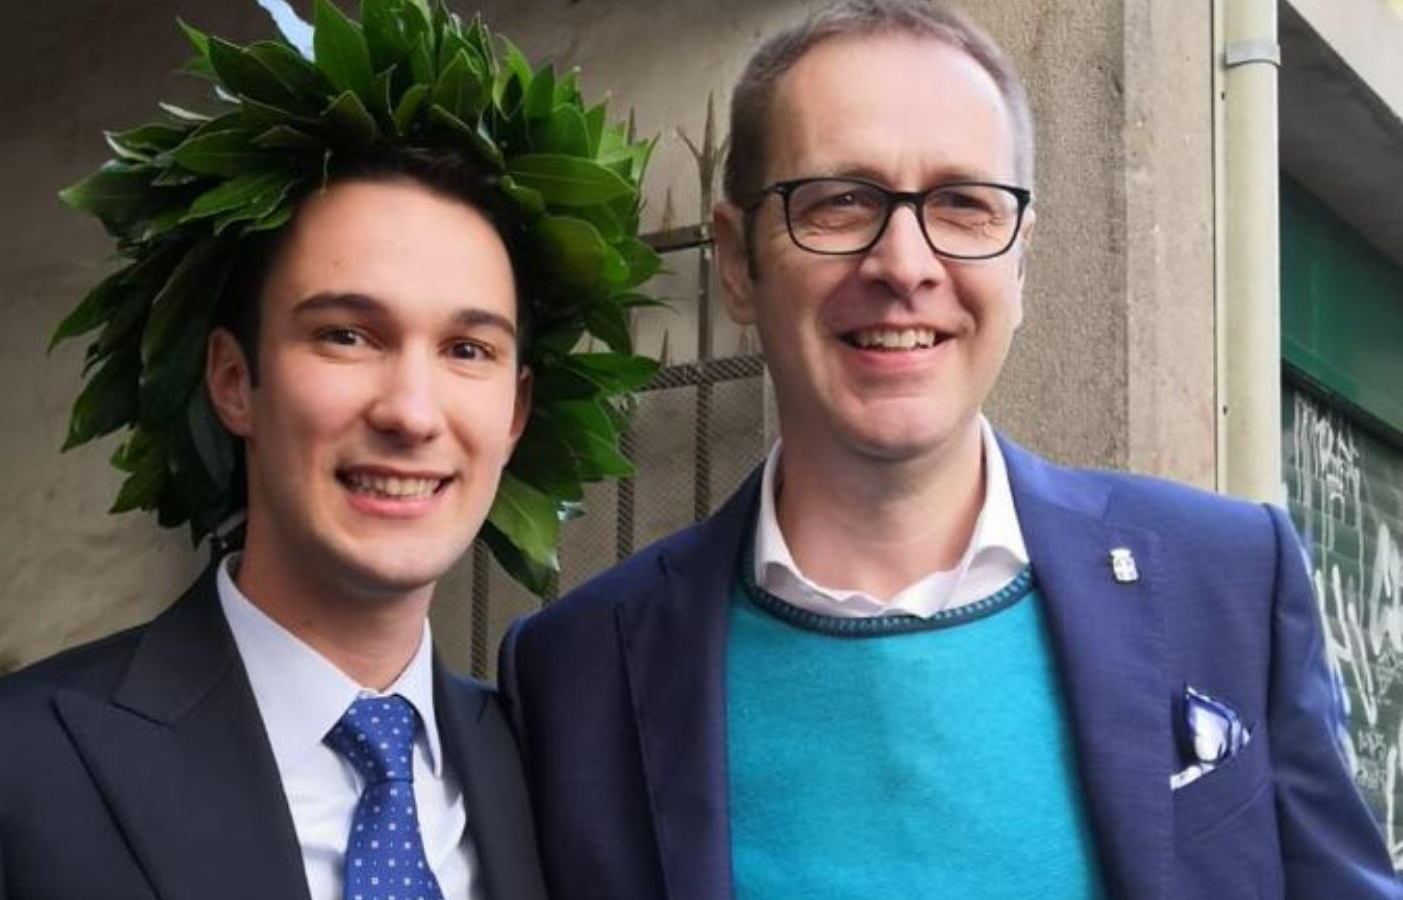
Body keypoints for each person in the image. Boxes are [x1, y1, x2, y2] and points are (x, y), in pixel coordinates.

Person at [499, 2, 1402, 898]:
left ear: (1020, 263)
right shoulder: (576, 675)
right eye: (841, 201)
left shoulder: (1229, 581)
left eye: (964, 204)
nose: (904, 264)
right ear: (738, 262)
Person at [0, 4, 655, 896]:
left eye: (468, 350)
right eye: (347, 335)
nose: (412, 410)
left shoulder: (548, 774)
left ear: (515, 412)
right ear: (235, 381)